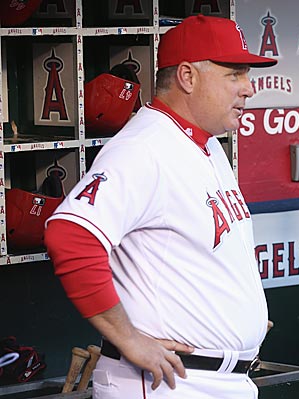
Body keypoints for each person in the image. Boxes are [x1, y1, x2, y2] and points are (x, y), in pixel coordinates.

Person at [44, 15, 276, 399]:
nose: (249, 89)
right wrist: (129, 339)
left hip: (219, 378)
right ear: (187, 76)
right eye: (234, 75)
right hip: (168, 384)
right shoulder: (143, 148)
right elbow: (70, 236)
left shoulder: (208, 145)